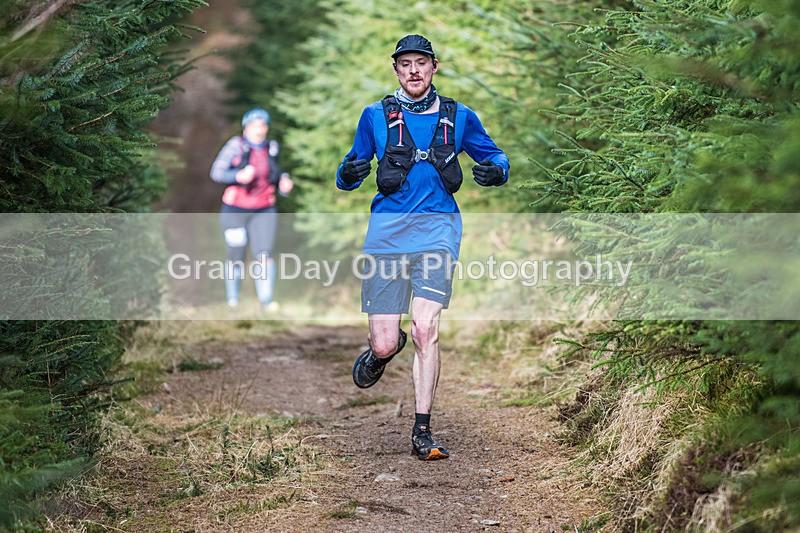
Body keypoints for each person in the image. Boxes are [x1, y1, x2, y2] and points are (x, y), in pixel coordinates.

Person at [336, 35, 509, 460]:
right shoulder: (374, 116)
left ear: (434, 67)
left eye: (421, 63)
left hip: (438, 231)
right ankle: (382, 352)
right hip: (387, 235)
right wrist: (348, 172)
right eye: (405, 64)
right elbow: (348, 171)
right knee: (383, 342)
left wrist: (497, 172)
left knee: (426, 328)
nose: (414, 70)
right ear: (396, 70)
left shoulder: (460, 115)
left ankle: (422, 430)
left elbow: (496, 156)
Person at [210, 108, 293, 310]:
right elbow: (216, 172)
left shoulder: (271, 147)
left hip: (264, 208)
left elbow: (275, 173)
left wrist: (283, 182)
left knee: (264, 253)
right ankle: (233, 300)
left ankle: (266, 301)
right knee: (236, 253)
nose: (259, 130)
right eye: (254, 126)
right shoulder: (235, 146)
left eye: (262, 126)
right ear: (246, 128)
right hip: (235, 209)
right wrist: (237, 176)